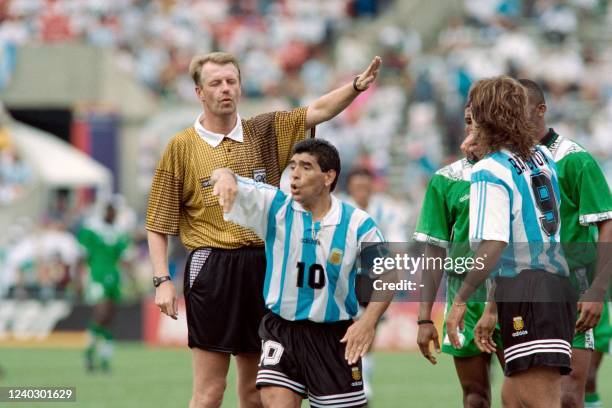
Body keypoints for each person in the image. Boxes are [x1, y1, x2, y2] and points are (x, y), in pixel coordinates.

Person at [146, 52, 381, 408]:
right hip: (213, 266)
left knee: (255, 394)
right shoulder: (181, 147)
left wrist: (355, 87)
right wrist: (162, 280)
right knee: (209, 392)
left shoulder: (264, 128)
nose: (225, 89)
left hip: (267, 266)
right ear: (199, 92)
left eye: (231, 81)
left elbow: (316, 111)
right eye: (216, 83)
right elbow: (158, 221)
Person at [210, 138, 390, 408]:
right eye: (293, 166)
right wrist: (223, 176)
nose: (295, 173)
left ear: (328, 176)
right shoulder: (276, 207)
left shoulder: (357, 223)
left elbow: (389, 276)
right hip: (281, 330)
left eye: (306, 167)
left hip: (334, 336)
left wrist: (367, 322)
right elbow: (228, 175)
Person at [446, 76, 574, 408]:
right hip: (546, 285)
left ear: (485, 117)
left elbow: (494, 245)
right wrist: (492, 309)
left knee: (538, 401)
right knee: (513, 399)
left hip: (530, 289)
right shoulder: (542, 157)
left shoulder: (490, 169)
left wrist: (460, 300)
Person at [517, 79, 612, 408]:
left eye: (520, 109)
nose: (512, 117)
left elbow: (606, 225)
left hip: (570, 288)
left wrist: (598, 291)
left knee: (572, 392)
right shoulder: (505, 164)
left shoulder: (575, 159)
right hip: (521, 292)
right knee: (523, 392)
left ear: (541, 110)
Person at [415, 104, 505, 408]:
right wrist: (424, 318)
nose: (472, 129)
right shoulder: (446, 179)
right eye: (468, 122)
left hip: (512, 292)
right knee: (475, 398)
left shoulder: (515, 171)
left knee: (523, 394)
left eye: (479, 123)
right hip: (464, 299)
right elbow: (434, 250)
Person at [345, 166, 407, 400]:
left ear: (372, 186)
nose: (362, 191)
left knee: (368, 328)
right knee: (348, 327)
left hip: (374, 278)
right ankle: (353, 378)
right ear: (350, 187)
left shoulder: (386, 210)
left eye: (365, 186)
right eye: (357, 186)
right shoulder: (339, 207)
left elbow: (398, 246)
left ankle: (362, 380)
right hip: (345, 278)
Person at [78, 201, 131, 372]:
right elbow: (81, 256)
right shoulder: (91, 229)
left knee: (109, 319)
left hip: (113, 278)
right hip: (96, 277)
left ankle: (104, 359)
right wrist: (78, 278)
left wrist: (130, 279)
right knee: (101, 313)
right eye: (110, 210)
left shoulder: (119, 232)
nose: (112, 214)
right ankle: (88, 352)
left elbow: (124, 257)